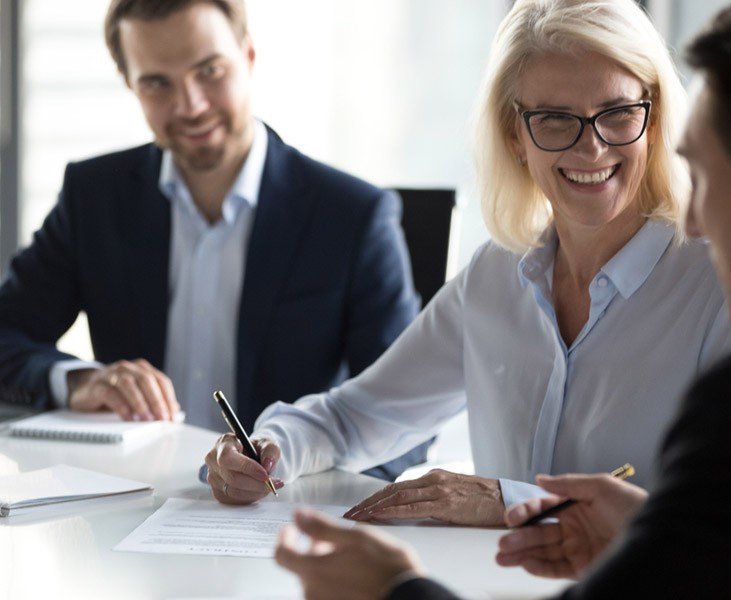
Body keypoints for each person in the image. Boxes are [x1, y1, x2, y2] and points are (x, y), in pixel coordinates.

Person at [274, 0, 731, 597]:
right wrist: (273, 448)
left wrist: (510, 502)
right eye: (555, 119)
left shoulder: (730, 290)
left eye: (619, 113)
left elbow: (724, 535)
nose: (593, 148)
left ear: (653, 122)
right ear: (514, 134)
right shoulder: (496, 275)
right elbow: (357, 415)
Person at [0, 0, 429, 481]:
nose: (191, 105)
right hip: (129, 503)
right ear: (130, 86)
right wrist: (76, 381)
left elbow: (405, 419)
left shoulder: (353, 216)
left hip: (284, 514)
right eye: (157, 83)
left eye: (209, 70)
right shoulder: (94, 197)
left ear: (248, 56)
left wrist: (305, 481)